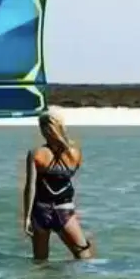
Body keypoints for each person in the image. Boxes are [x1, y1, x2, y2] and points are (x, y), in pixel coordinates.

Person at [21, 109, 94, 261]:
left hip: (40, 211)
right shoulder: (74, 152)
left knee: (40, 262)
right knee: (84, 255)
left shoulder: (36, 153)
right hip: (64, 210)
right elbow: (68, 176)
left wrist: (27, 217)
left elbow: (30, 187)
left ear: (43, 130)